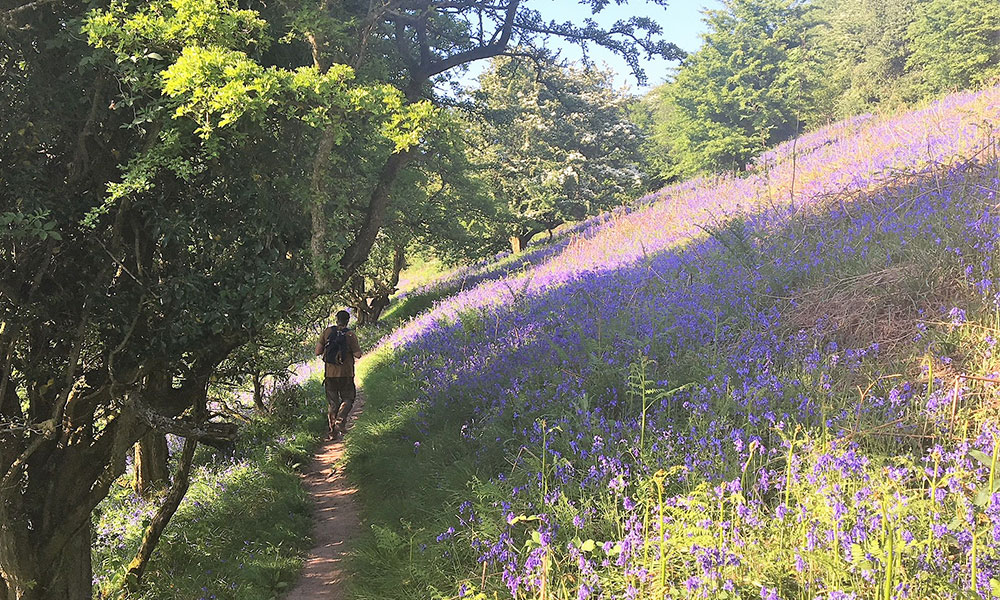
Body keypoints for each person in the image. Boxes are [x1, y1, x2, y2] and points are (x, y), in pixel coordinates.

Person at [315, 310, 362, 440]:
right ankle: (340, 421)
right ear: (347, 321)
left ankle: (332, 433)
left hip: (330, 374)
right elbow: (358, 354)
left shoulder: (327, 332)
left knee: (332, 403)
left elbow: (317, 351)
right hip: (346, 374)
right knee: (348, 399)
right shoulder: (350, 335)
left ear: (336, 319)